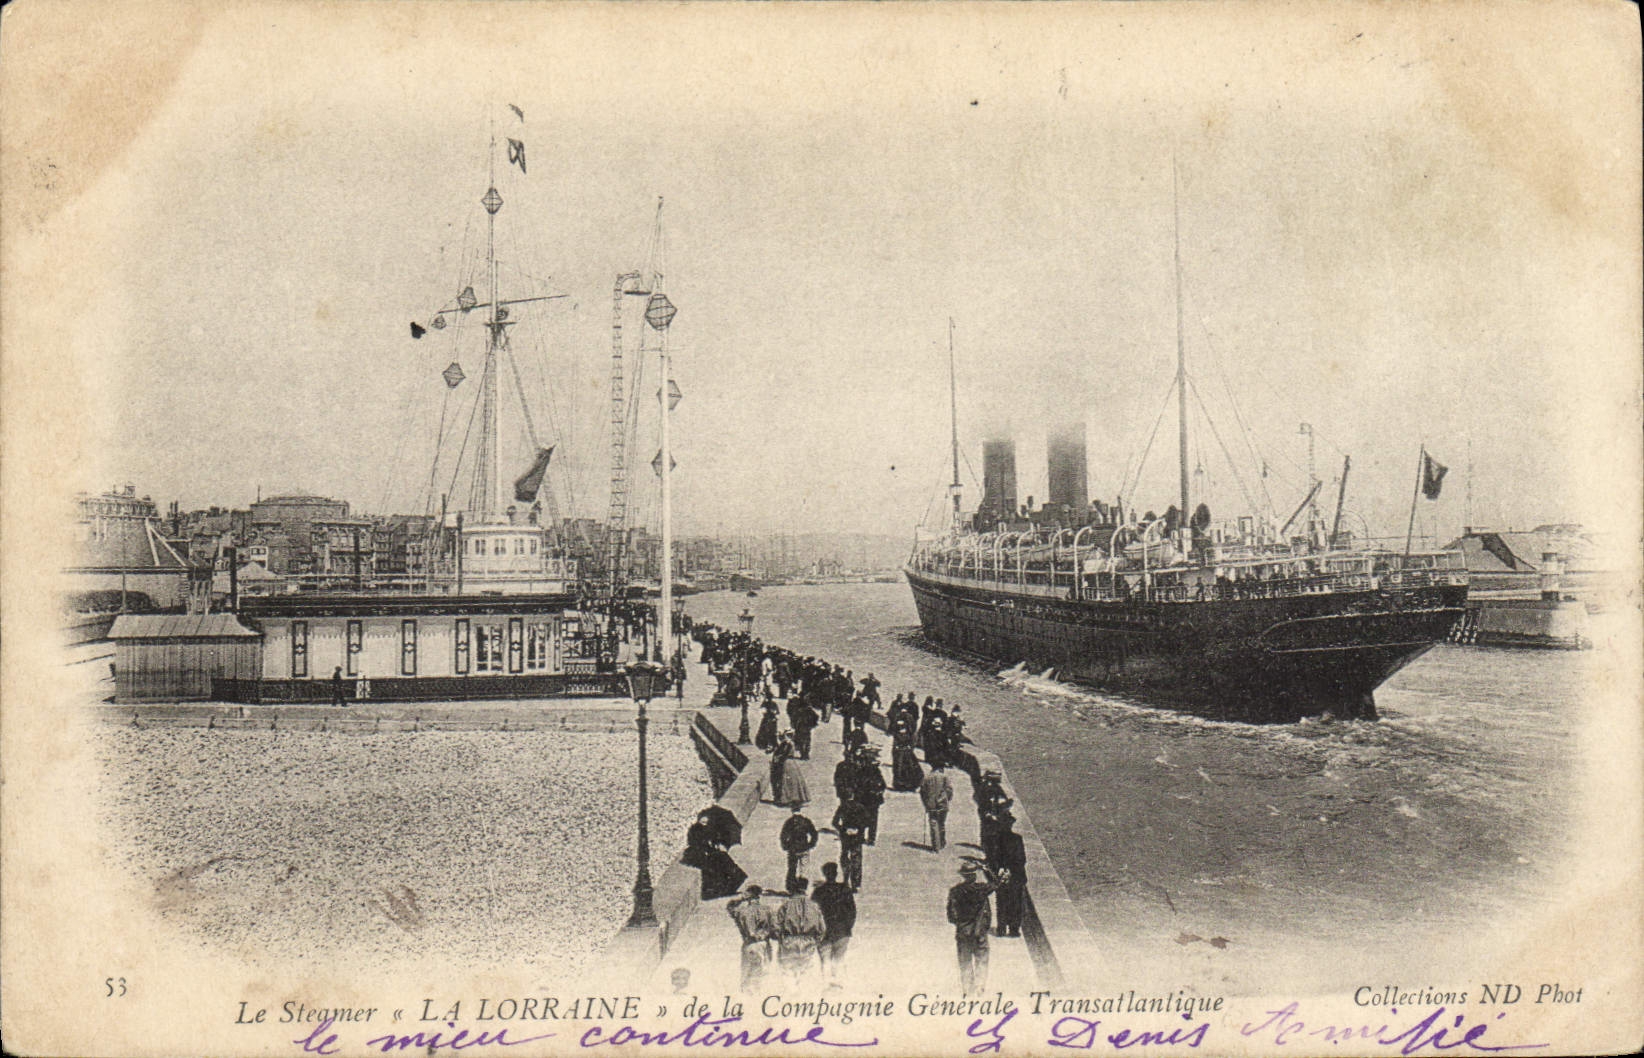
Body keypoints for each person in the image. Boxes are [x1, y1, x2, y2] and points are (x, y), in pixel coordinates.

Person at [947, 862, 999, 995]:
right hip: (979, 931)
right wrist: (987, 870)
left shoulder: (955, 892)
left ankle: (967, 989)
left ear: (963, 876)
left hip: (963, 932)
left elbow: (951, 916)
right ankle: (980, 987)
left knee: (965, 961)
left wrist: (962, 922)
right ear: (975, 876)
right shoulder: (981, 889)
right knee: (982, 959)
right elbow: (996, 883)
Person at [811, 862, 857, 987]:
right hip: (842, 931)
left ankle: (826, 985)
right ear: (836, 874)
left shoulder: (818, 892)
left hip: (824, 932)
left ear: (824, 874)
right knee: (839, 959)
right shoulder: (845, 889)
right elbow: (852, 911)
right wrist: (847, 927)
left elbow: (813, 912)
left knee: (825, 961)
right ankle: (837, 985)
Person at [684, 810, 748, 900]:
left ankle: (730, 884)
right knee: (718, 865)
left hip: (712, 854)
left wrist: (716, 844)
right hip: (703, 856)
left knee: (725, 862)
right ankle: (721, 889)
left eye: (706, 822)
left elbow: (714, 841)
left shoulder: (712, 829)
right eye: (702, 821)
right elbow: (696, 845)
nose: (704, 823)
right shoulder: (695, 831)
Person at [775, 878, 827, 987]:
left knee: (788, 975)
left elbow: (777, 927)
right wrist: (815, 941)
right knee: (807, 976)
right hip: (808, 941)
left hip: (789, 941)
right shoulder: (814, 906)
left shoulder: (785, 905)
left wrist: (782, 941)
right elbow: (822, 929)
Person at [727, 884, 775, 993]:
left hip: (749, 944)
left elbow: (730, 907)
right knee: (763, 974)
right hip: (764, 944)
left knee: (746, 975)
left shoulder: (742, 911)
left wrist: (740, 899)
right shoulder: (768, 910)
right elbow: (775, 929)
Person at [992, 820, 1028, 938]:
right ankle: (1013, 929)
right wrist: (1011, 870)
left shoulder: (997, 839)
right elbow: (1022, 859)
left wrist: (1002, 868)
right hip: (1016, 876)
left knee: (1002, 902)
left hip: (1003, 875)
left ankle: (1002, 928)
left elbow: (994, 857)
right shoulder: (1017, 839)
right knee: (1015, 903)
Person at [832, 796, 872, 891]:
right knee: (857, 858)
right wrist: (858, 829)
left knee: (845, 856)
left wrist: (843, 830)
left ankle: (846, 879)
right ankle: (856, 883)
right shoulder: (860, 807)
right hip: (857, 837)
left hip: (845, 837)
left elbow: (834, 822)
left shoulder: (842, 807)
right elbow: (868, 821)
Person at [779, 805, 818, 893]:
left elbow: (783, 835)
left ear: (792, 811)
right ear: (800, 810)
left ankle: (791, 888)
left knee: (792, 868)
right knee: (804, 869)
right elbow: (814, 833)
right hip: (804, 848)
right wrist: (811, 844)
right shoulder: (806, 821)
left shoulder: (789, 822)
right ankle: (802, 887)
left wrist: (785, 846)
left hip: (793, 849)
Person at [853, 746, 887, 846]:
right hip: (874, 799)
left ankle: (862, 836)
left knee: (861, 818)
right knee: (873, 819)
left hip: (864, 799)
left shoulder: (861, 772)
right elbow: (883, 784)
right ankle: (871, 839)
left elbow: (857, 784)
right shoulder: (876, 772)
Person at [919, 760, 954, 852]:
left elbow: (922, 792)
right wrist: (947, 799)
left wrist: (925, 803)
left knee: (933, 823)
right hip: (942, 803)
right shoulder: (944, 777)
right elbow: (949, 790)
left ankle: (935, 846)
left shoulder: (927, 777)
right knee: (941, 823)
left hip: (931, 804)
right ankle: (942, 842)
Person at [772, 734, 810, 808]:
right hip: (791, 762)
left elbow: (785, 754)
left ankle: (788, 798)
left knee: (787, 781)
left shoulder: (788, 744)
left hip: (787, 762)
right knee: (793, 780)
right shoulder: (788, 743)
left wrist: (778, 757)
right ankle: (794, 798)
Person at [891, 712, 924, 792]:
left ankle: (908, 785)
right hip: (902, 752)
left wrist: (908, 746)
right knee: (903, 767)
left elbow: (911, 741)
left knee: (908, 767)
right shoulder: (899, 733)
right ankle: (903, 785)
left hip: (905, 752)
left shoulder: (908, 732)